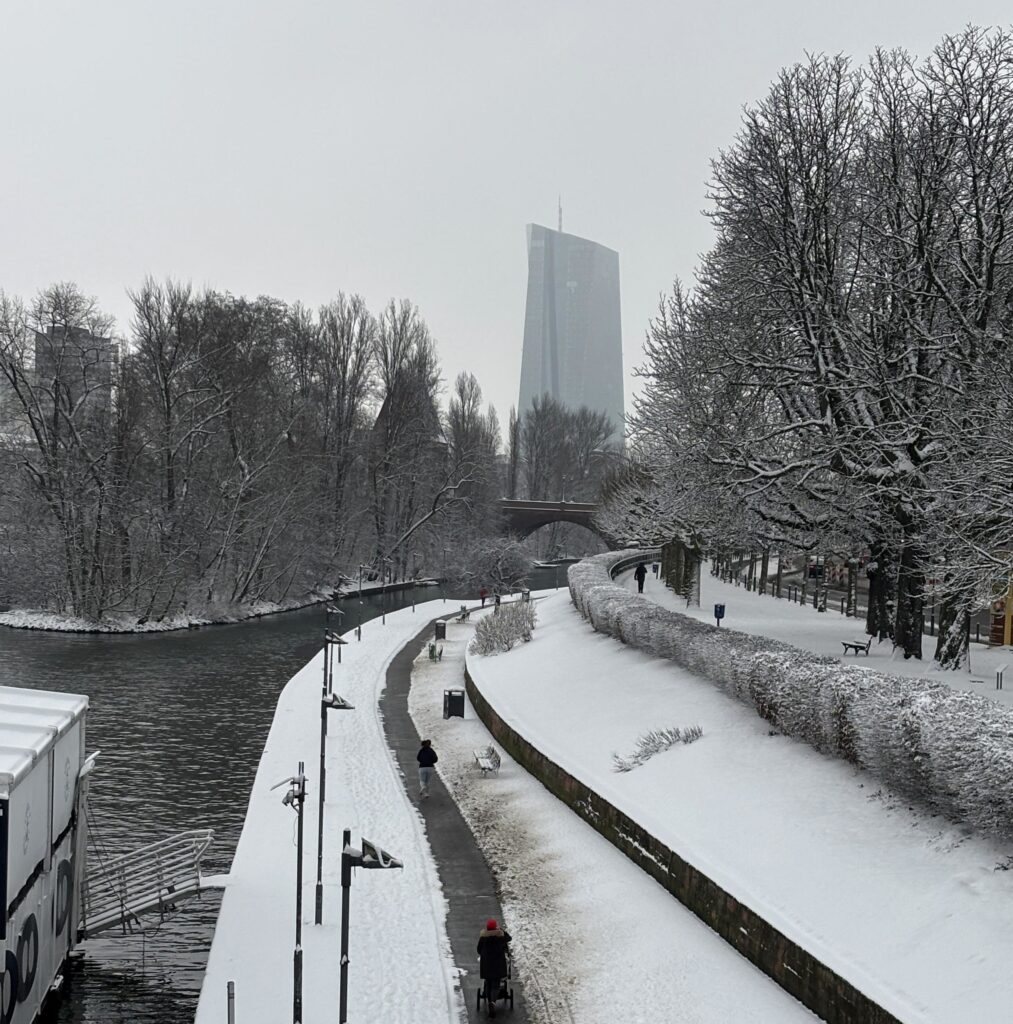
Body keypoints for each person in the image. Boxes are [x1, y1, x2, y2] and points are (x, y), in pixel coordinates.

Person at [477, 917, 512, 1017]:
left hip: (486, 965)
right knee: (496, 984)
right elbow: (509, 938)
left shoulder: (483, 938)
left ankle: (489, 1002)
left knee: (488, 983)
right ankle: (492, 1002)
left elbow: (479, 950)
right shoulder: (500, 937)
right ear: (496, 927)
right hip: (498, 964)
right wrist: (501, 930)